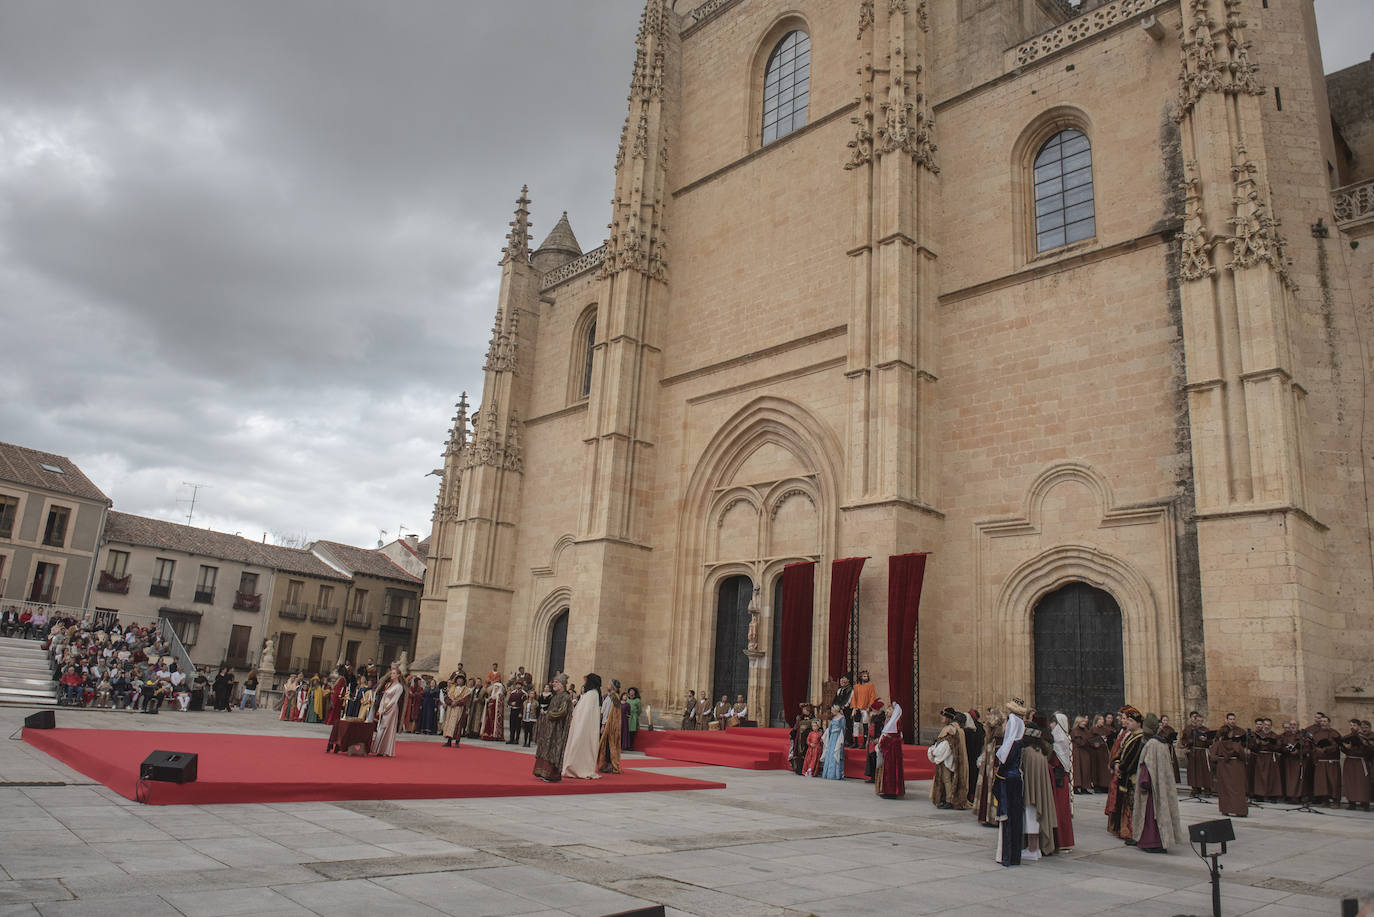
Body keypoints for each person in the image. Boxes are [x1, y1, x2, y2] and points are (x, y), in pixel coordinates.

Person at [1133, 713, 1185, 853]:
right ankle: (1162, 841)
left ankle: (1151, 842)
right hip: (1161, 787)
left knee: (1151, 816)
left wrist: (1144, 783)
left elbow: (1147, 767)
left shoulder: (1151, 745)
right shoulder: (1163, 744)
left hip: (1152, 790)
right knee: (1161, 814)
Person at [994, 699, 1027, 867]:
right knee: (1014, 818)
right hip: (1015, 781)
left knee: (1008, 819)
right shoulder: (1018, 744)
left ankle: (1006, 855)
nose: (1004, 726)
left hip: (1009, 782)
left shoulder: (1011, 747)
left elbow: (1003, 766)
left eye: (1006, 722)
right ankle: (1012, 855)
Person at [1108, 708, 1145, 842]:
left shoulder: (1140, 738)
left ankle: (1133, 833)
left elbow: (1132, 759)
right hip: (1125, 776)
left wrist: (1120, 767)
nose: (1127, 723)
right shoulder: (1131, 735)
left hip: (1132, 777)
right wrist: (1116, 762)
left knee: (1132, 806)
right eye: (1127, 720)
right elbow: (1121, 753)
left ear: (1138, 723)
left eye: (1130, 720)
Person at [930, 707, 971, 809]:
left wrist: (936, 752)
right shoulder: (956, 728)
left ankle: (949, 800)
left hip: (948, 757)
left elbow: (947, 744)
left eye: (943, 716)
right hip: (953, 757)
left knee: (947, 779)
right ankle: (947, 799)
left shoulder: (950, 729)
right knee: (948, 779)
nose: (942, 718)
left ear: (948, 717)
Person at [533, 675, 573, 782]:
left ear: (562, 684)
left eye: (556, 682)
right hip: (549, 727)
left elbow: (562, 711)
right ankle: (542, 772)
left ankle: (551, 775)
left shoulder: (565, 697)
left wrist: (550, 715)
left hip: (557, 729)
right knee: (546, 748)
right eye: (553, 682)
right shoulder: (555, 696)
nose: (553, 684)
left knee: (553, 750)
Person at [563, 674, 603, 779]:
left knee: (578, 746)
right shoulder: (592, 694)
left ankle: (576, 768)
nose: (584, 683)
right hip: (580, 724)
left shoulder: (591, 695)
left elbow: (585, 713)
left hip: (583, 727)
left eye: (586, 681)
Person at [1213, 713, 1249, 817]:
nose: (1232, 721)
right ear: (1226, 720)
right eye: (1230, 719)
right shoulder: (1221, 732)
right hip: (1226, 763)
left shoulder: (1240, 731)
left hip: (1234, 763)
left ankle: (1236, 810)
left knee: (1236, 787)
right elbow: (1216, 745)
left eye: (1234, 719)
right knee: (1226, 787)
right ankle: (1228, 809)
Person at [370, 664, 408, 757]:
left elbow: (394, 700)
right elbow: (384, 697)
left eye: (394, 673)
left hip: (391, 709)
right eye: (391, 673)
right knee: (380, 728)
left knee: (387, 728)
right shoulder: (389, 685)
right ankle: (378, 749)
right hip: (384, 707)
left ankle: (385, 750)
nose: (391, 675)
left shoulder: (399, 687)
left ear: (398, 675)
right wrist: (380, 708)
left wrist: (386, 709)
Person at [1050, 713, 1075, 852]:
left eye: (1053, 722)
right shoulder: (1065, 738)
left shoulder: (1058, 739)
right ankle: (1064, 840)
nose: (1051, 725)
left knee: (1059, 810)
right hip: (1063, 779)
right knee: (1062, 810)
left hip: (1058, 780)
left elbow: (1055, 760)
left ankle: (1060, 840)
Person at [977, 707, 1005, 826]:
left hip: (993, 766)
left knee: (992, 790)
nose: (987, 717)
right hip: (988, 765)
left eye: (989, 715)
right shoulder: (990, 731)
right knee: (987, 789)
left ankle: (993, 816)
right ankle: (986, 816)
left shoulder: (998, 734)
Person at [1308, 712, 1343, 807]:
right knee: (1322, 782)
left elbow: (1336, 745)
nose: (1323, 723)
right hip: (1321, 762)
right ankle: (1325, 800)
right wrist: (1315, 756)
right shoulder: (1316, 734)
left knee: (1333, 781)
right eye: (1321, 721)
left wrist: (1325, 749)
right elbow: (1313, 746)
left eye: (1325, 721)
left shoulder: (1334, 733)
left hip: (1331, 762)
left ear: (1329, 722)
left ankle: (1336, 801)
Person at [875, 700, 905, 798]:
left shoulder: (896, 722)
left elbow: (892, 736)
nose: (888, 710)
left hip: (892, 749)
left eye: (890, 709)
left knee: (892, 770)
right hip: (889, 749)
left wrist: (883, 741)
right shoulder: (892, 721)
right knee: (888, 770)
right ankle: (887, 790)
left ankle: (892, 792)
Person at [1181, 711, 1215, 798]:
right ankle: (1195, 789)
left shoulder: (1206, 730)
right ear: (1195, 721)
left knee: (1205, 771)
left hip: (1203, 752)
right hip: (1194, 753)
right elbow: (1184, 740)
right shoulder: (1189, 729)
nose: (1200, 722)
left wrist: (1205, 740)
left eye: (1201, 721)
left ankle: (1207, 789)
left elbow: (1211, 741)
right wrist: (1191, 741)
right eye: (1198, 721)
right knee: (1194, 771)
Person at [442, 676, 470, 747]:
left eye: (461, 680)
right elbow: (446, 697)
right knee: (449, 724)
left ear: (463, 681)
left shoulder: (466, 690)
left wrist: (457, 703)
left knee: (458, 725)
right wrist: (451, 702)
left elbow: (466, 700)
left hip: (459, 709)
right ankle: (449, 741)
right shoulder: (452, 688)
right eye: (458, 679)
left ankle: (457, 742)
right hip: (451, 709)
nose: (459, 681)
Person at [821, 704, 846, 780]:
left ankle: (836, 774)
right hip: (832, 737)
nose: (831, 712)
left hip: (838, 737)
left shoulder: (842, 718)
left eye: (832, 710)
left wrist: (841, 740)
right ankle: (828, 773)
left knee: (836, 754)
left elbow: (843, 729)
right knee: (830, 754)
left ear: (835, 710)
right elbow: (830, 728)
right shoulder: (833, 718)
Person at [506, 680, 527, 745]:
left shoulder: (523, 694)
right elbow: (508, 701)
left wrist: (521, 712)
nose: (518, 686)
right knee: (512, 725)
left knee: (518, 726)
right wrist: (511, 703)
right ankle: (511, 738)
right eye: (517, 684)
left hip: (519, 710)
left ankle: (517, 739)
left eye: (519, 685)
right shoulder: (513, 693)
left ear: (521, 686)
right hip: (513, 710)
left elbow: (523, 704)